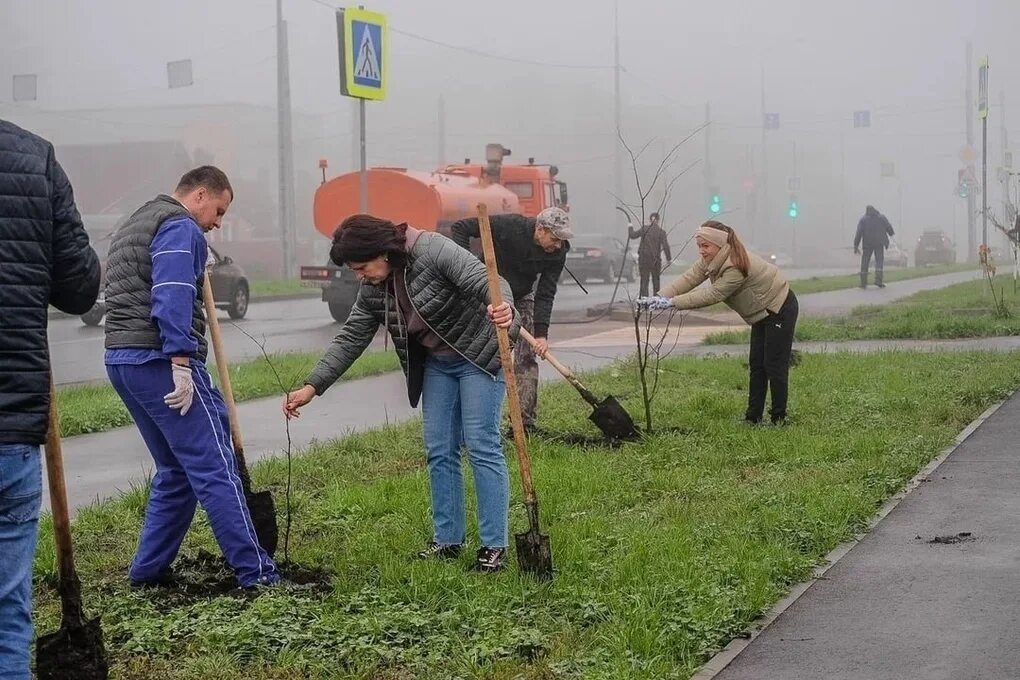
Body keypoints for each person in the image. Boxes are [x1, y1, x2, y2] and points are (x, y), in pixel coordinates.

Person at [284, 215, 521, 572]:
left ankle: (494, 547)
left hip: (479, 356)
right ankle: (448, 540)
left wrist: (505, 310)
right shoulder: (374, 289)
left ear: (383, 252)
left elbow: (488, 281)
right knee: (439, 449)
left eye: (363, 267)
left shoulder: (431, 249)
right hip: (438, 365)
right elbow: (350, 338)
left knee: (481, 444)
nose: (361, 276)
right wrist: (312, 386)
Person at [104, 166, 279, 589]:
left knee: (175, 470)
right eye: (218, 211)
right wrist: (181, 363)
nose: (217, 222)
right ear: (200, 195)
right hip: (160, 360)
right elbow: (171, 295)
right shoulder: (181, 227)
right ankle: (257, 575)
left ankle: (147, 573)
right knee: (214, 465)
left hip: (122, 360)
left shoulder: (138, 220)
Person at [0, 120, 101, 679]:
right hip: (13, 425)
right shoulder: (34, 159)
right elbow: (80, 287)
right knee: (7, 615)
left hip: (16, 419)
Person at [639, 220, 798, 426]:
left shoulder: (736, 265)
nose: (701, 251)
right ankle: (753, 417)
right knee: (757, 365)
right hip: (761, 312)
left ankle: (779, 418)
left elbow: (713, 294)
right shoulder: (713, 260)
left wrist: (671, 303)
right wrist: (659, 296)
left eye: (705, 246)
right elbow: (689, 278)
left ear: (719, 245)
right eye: (699, 246)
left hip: (779, 308)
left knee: (774, 365)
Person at [450, 207, 572, 431]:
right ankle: (471, 427)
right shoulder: (511, 225)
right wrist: (466, 269)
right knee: (480, 358)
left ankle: (525, 424)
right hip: (486, 295)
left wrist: (541, 335)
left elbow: (546, 293)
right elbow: (460, 228)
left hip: (521, 296)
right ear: (540, 229)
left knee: (526, 359)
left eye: (561, 241)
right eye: (554, 239)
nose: (557, 245)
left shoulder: (558, 252)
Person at [629, 212, 672, 297]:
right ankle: (656, 300)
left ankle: (644, 301)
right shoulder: (661, 232)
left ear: (650, 220)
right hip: (655, 260)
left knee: (644, 281)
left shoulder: (644, 229)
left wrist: (630, 226)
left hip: (644, 259)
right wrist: (669, 259)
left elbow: (632, 235)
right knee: (656, 281)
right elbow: (666, 246)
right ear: (658, 220)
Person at [853, 205, 895, 288]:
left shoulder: (863, 220)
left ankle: (863, 283)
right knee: (879, 262)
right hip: (879, 243)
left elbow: (859, 233)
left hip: (867, 244)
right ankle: (878, 281)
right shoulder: (882, 218)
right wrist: (891, 233)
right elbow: (889, 228)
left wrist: (856, 245)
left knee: (865, 262)